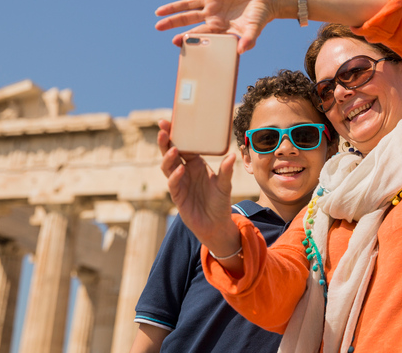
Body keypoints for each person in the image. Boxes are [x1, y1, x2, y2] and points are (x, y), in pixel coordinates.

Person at [155, 0, 402, 352]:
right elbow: (274, 296)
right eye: (326, 90)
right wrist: (219, 235)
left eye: (356, 71)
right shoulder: (326, 206)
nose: (343, 93)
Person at [129, 69, 337, 353]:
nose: (286, 148)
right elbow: (150, 335)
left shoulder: (340, 238)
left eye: (304, 135)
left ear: (331, 148)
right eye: (267, 139)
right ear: (247, 157)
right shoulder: (198, 225)